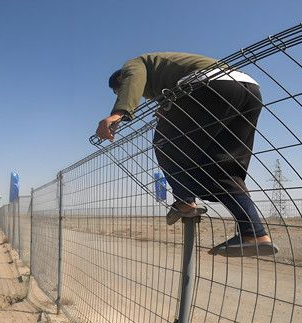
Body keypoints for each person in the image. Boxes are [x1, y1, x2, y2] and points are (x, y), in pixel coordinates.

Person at [95, 52, 278, 257]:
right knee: (220, 166)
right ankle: (253, 233)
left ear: (120, 79)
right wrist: (165, 107)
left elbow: (134, 77)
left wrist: (119, 112)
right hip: (248, 90)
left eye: (118, 90)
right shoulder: (165, 73)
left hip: (207, 86)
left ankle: (184, 201)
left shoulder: (134, 64)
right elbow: (173, 94)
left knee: (165, 144)